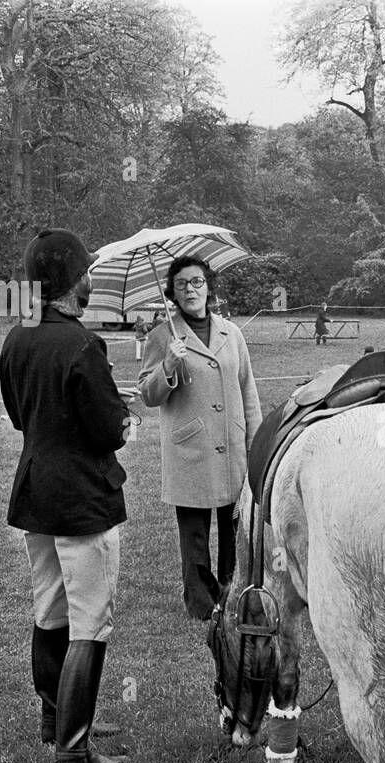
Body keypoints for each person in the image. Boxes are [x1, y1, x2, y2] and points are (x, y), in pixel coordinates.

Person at [0, 227, 131, 763]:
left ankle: (57, 719)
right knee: (90, 623)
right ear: (75, 279)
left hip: (35, 492)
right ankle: (73, 752)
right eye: (86, 271)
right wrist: (123, 417)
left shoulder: (15, 338)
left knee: (50, 610)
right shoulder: (82, 344)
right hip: (81, 498)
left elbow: (17, 415)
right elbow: (106, 431)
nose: (91, 278)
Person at [140, 256, 263, 622]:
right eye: (181, 285)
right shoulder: (162, 336)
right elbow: (148, 394)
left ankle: (231, 592)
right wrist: (168, 366)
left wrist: (255, 447)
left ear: (208, 286)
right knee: (194, 533)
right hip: (189, 449)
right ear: (172, 294)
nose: (190, 290)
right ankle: (199, 603)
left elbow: (248, 392)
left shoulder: (233, 333)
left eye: (196, 282)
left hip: (232, 448)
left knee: (234, 527)